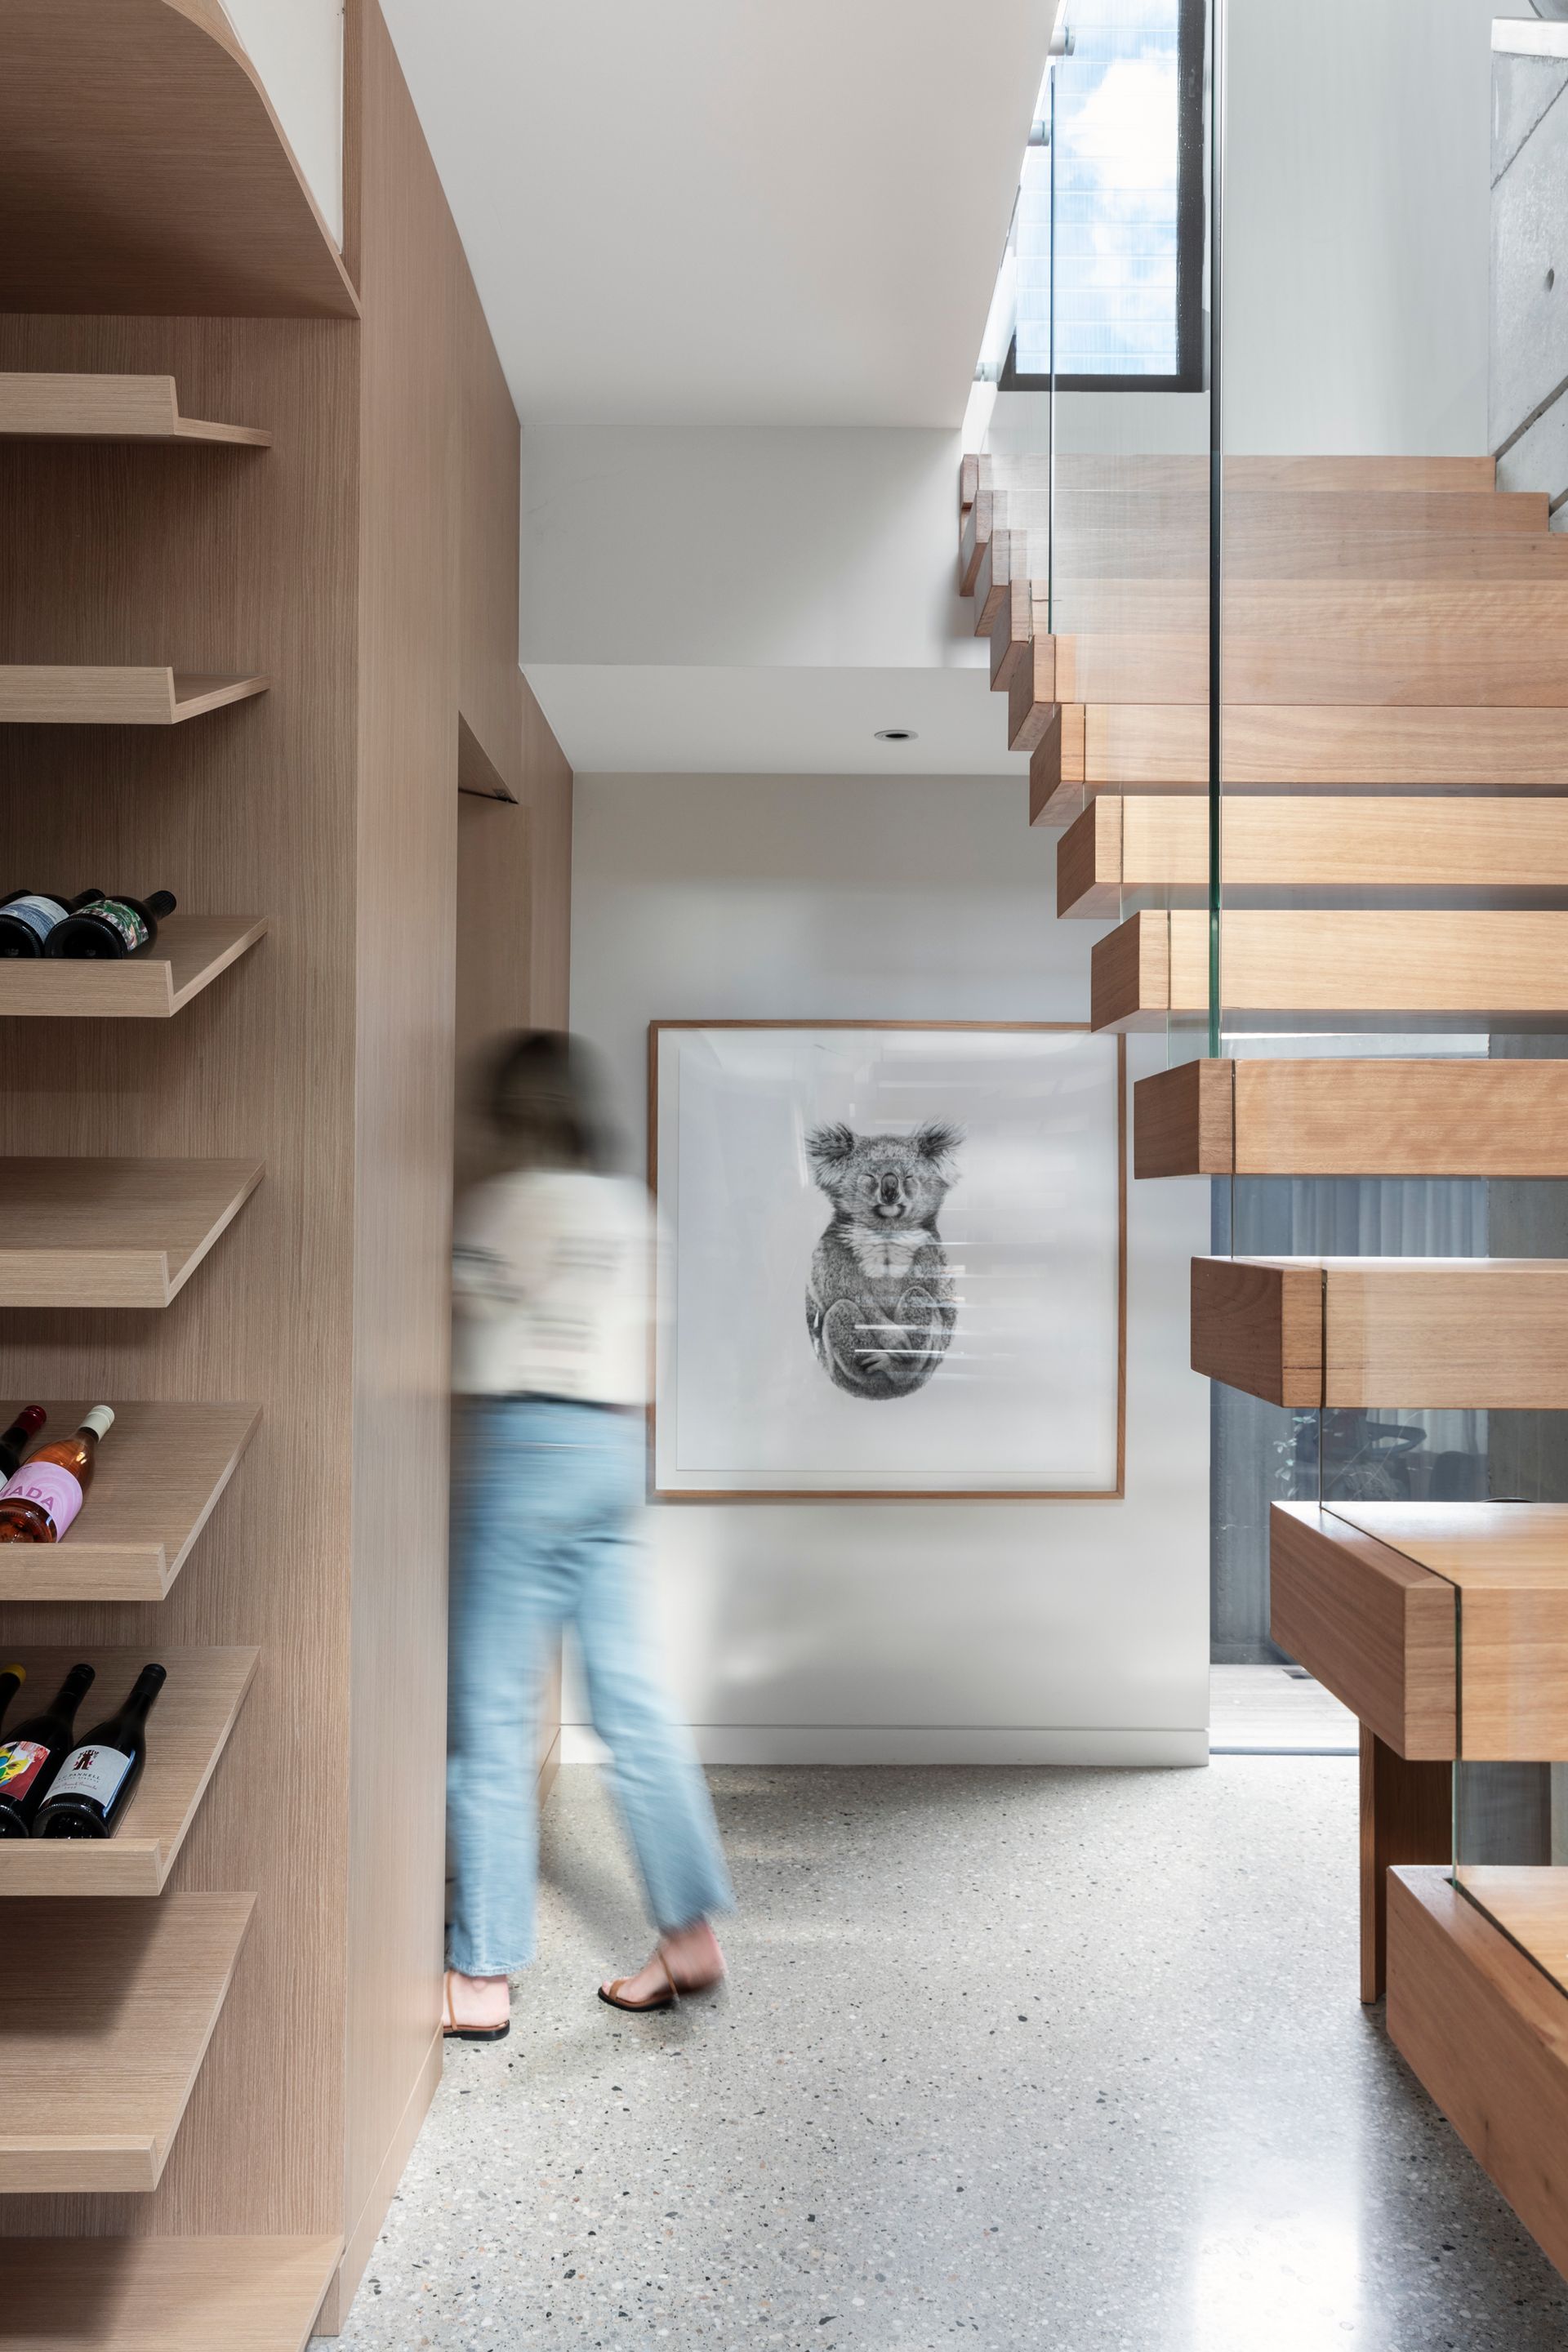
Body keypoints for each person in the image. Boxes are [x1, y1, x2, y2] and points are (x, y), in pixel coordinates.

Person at [444, 1030, 733, 2041]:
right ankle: (688, 1931)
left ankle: (482, 1974)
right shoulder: (632, 1212)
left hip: (526, 1444)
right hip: (614, 1451)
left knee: (489, 1711)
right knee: (633, 1701)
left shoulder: (504, 1205)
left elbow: (468, 1301)